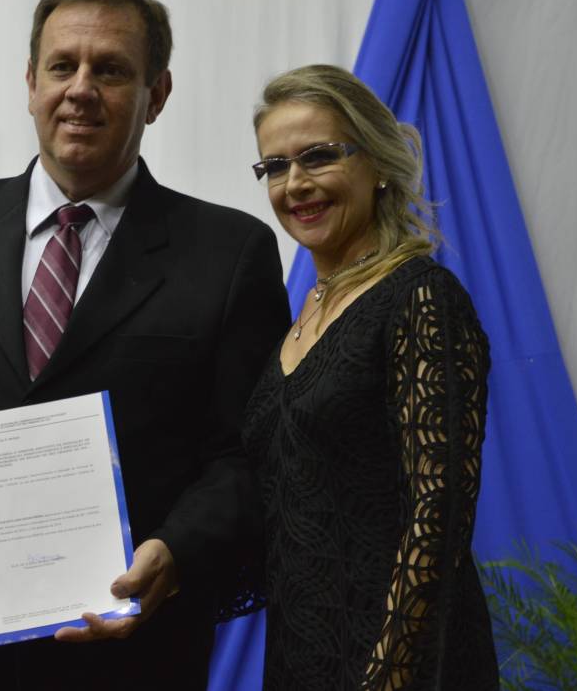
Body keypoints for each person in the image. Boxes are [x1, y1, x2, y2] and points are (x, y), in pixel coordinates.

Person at [0, 0, 291, 690]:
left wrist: (178, 550)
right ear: (30, 83)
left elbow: (248, 454)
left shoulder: (228, 254)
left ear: (157, 94)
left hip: (133, 660)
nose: (80, 89)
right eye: (62, 65)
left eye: (111, 70)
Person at [242, 64, 498, 689]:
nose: (295, 184)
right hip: (301, 660)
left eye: (319, 156)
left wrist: (389, 674)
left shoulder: (421, 297)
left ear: (377, 163)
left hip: (401, 666)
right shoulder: (299, 318)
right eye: (275, 166)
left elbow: (437, 519)